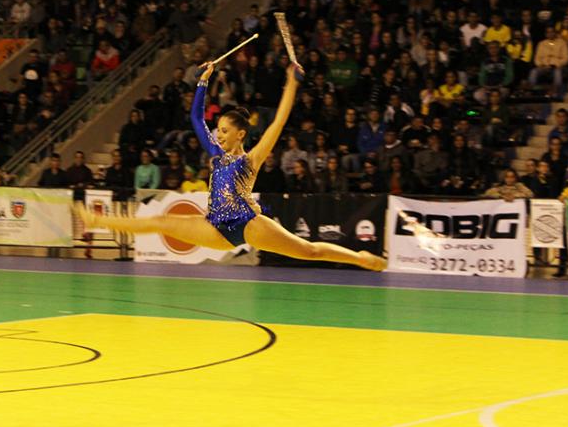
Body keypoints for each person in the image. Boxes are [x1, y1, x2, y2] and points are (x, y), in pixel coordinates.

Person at [77, 61, 386, 270]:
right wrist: (202, 80)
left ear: (241, 133)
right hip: (215, 227)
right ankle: (97, 221)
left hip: (249, 224)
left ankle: (361, 258)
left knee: (310, 251)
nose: (219, 135)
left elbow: (279, 121)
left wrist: (291, 84)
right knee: (159, 220)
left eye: (224, 131)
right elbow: (196, 118)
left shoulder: (250, 160)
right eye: (218, 130)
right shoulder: (215, 154)